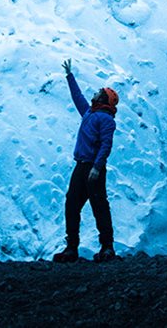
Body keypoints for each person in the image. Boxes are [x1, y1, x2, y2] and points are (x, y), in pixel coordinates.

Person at [53, 59, 119, 263]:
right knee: (73, 204)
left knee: (98, 205)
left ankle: (106, 247)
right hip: (82, 166)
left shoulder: (105, 119)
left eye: (101, 93)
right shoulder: (90, 113)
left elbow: (105, 145)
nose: (96, 94)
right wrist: (69, 76)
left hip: (91, 168)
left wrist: (97, 167)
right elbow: (77, 97)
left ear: (106, 100)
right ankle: (72, 248)